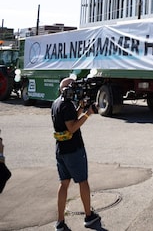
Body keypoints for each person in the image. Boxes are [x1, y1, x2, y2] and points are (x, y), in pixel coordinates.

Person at [52, 78, 101, 230]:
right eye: (73, 87)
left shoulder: (56, 103)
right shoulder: (66, 105)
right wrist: (88, 113)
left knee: (64, 183)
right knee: (83, 182)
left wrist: (80, 108)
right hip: (73, 150)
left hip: (61, 150)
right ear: (66, 89)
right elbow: (72, 127)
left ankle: (60, 221)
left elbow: (68, 119)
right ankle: (88, 216)